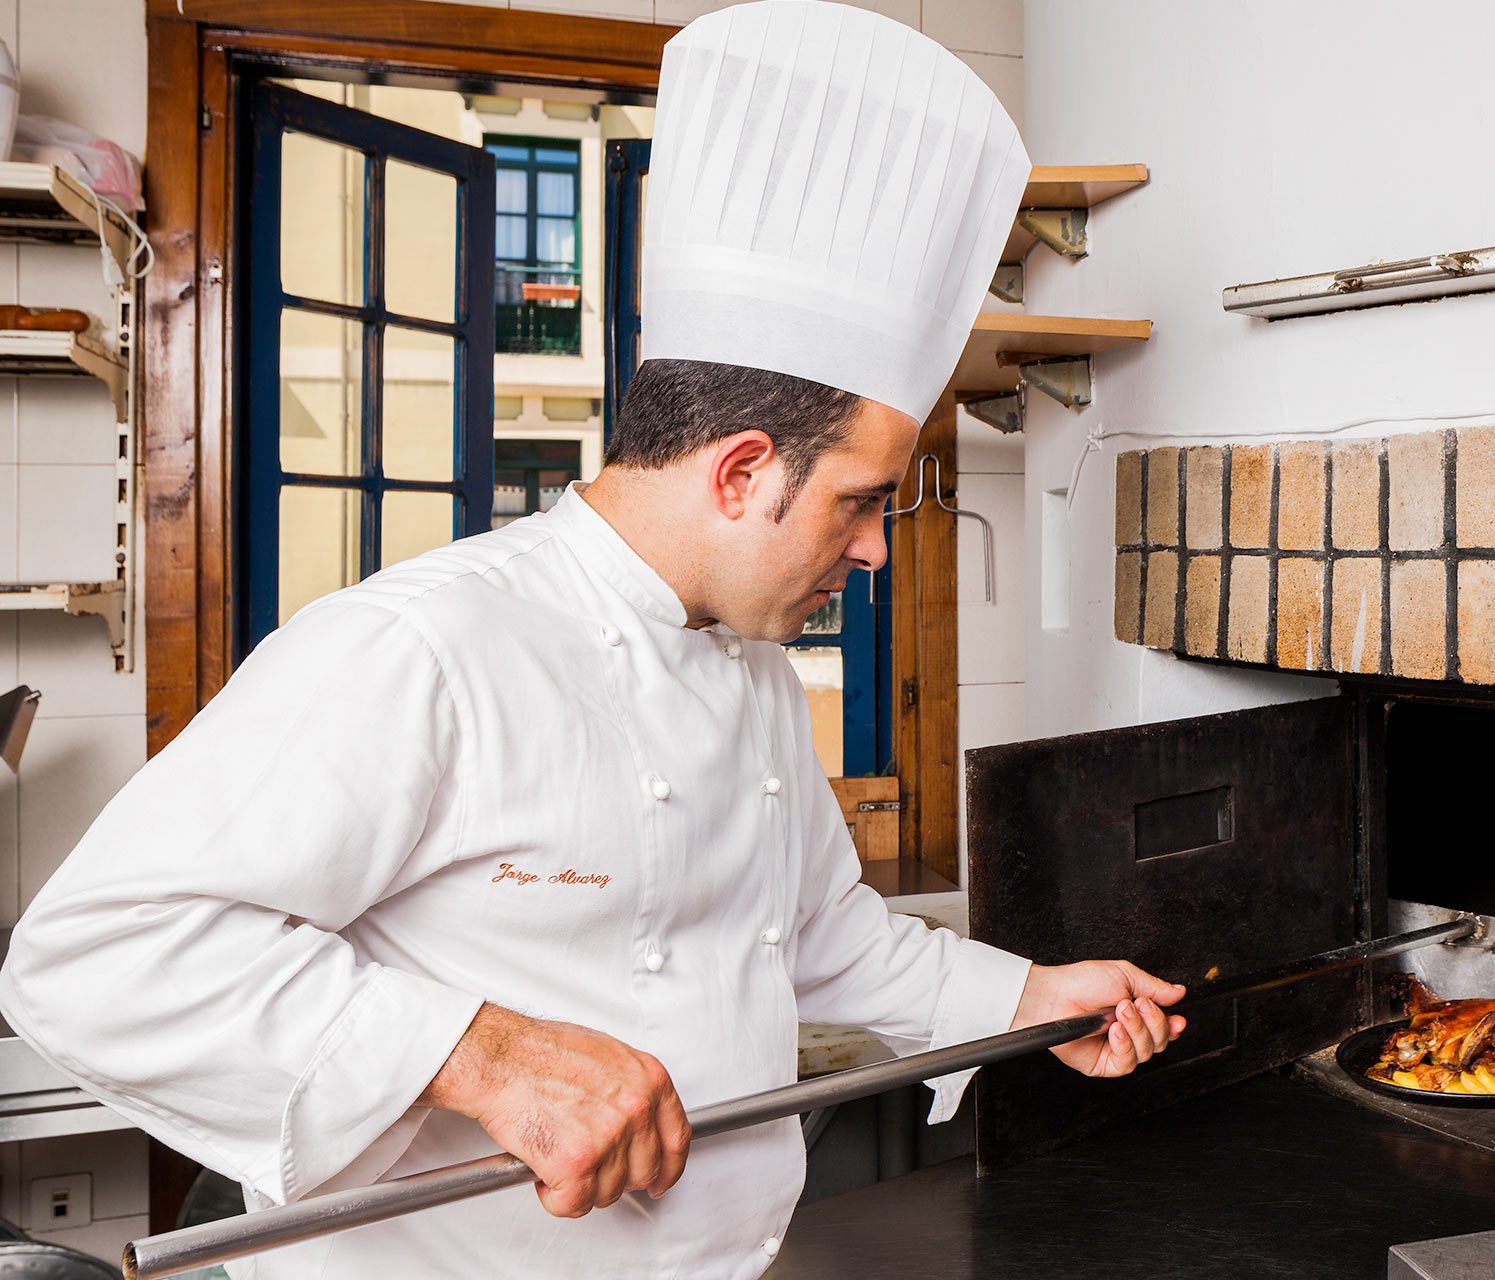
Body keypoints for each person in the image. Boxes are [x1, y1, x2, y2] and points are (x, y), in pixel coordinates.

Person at [0, 4, 1187, 1276]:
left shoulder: (754, 671)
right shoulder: (422, 646)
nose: (877, 548)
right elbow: (91, 955)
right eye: (859, 499)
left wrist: (1023, 999)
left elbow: (823, 938)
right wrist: (482, 1053)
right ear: (740, 472)